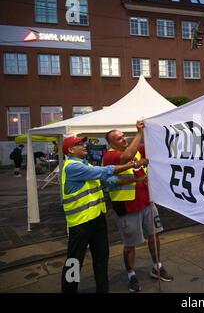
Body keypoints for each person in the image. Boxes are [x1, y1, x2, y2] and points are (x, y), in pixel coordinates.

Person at [61, 135, 148, 293]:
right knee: (74, 260)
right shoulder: (72, 166)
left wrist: (136, 180)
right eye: (79, 144)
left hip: (97, 219)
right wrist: (134, 164)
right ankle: (68, 290)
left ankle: (103, 289)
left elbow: (109, 181)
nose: (84, 145)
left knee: (101, 257)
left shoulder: (85, 165)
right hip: (80, 224)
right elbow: (104, 171)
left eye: (83, 143)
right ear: (71, 150)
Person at [103, 120, 173, 293]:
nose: (124, 139)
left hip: (148, 202)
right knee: (130, 244)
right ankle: (131, 274)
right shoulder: (110, 156)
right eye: (119, 139)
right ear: (111, 144)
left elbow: (154, 146)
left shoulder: (137, 151)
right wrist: (139, 132)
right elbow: (126, 157)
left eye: (123, 136)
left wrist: (153, 128)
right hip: (127, 208)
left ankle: (157, 266)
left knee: (154, 236)